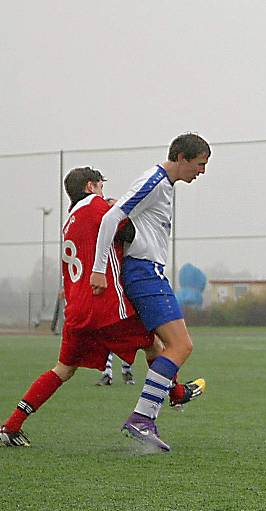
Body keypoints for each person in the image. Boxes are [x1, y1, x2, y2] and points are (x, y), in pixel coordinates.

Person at [0, 167, 203, 448]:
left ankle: (11, 425)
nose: (104, 191)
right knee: (158, 345)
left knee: (63, 369)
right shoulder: (96, 207)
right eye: (101, 186)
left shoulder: (70, 219)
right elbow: (126, 228)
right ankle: (174, 394)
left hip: (77, 310)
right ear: (90, 186)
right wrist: (126, 211)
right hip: (104, 305)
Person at [90, 133, 210, 452]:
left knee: (157, 347)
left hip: (146, 272)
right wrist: (98, 269)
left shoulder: (164, 185)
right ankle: (142, 418)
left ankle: (172, 396)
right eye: (200, 164)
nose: (202, 171)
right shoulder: (155, 180)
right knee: (181, 345)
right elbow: (110, 217)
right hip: (145, 273)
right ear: (182, 158)